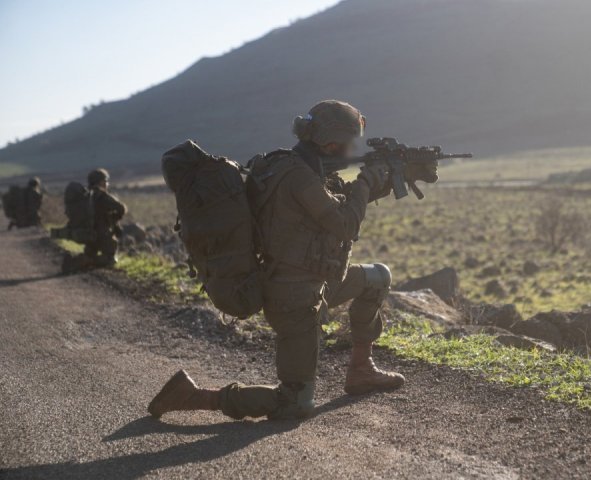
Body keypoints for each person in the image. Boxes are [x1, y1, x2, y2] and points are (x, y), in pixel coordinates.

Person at [148, 100, 438, 421]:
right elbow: (344, 223)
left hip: (319, 282)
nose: (349, 150)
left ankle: (361, 370)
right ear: (331, 142)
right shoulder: (299, 177)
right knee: (295, 403)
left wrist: (403, 174)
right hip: (293, 301)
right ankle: (195, 396)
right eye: (347, 143)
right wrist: (367, 180)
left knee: (378, 277)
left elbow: (343, 197)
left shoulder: (294, 166)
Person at [84, 168, 127, 267]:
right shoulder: (102, 196)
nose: (107, 184)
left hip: (88, 235)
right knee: (110, 260)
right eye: (106, 181)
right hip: (103, 235)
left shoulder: (85, 196)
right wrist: (115, 218)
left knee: (90, 252)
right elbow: (121, 208)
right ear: (102, 182)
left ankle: (85, 259)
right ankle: (90, 261)